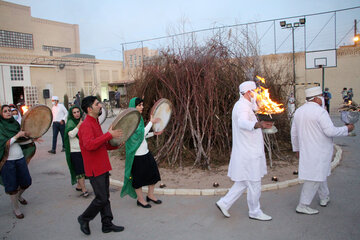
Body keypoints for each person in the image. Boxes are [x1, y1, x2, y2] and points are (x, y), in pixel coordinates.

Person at [215, 81, 273, 221]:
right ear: (248, 93)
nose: (257, 94)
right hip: (249, 153)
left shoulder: (246, 105)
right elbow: (242, 123)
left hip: (249, 150)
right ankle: (255, 212)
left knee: (243, 182)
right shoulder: (242, 107)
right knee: (254, 183)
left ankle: (224, 203)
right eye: (255, 92)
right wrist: (258, 124)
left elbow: (257, 108)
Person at [291, 86, 354, 215]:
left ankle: (324, 197)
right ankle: (302, 205)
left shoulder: (299, 111)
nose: (322, 99)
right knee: (314, 178)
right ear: (316, 99)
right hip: (319, 150)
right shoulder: (320, 112)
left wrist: (296, 149)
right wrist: (346, 129)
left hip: (306, 150)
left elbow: (294, 133)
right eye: (321, 97)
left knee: (320, 174)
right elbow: (330, 131)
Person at [77, 96, 124, 235]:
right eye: (97, 104)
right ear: (89, 109)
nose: (100, 106)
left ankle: (107, 224)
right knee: (101, 198)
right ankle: (84, 218)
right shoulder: (86, 125)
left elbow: (101, 144)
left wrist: (115, 145)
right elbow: (89, 145)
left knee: (105, 197)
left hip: (102, 166)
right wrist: (109, 135)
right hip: (94, 168)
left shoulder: (95, 122)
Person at [120, 97, 162, 208]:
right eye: (139, 105)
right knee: (138, 179)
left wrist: (154, 133)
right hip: (136, 156)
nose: (142, 107)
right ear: (133, 107)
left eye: (142, 104)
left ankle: (150, 195)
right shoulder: (130, 121)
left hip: (145, 153)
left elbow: (141, 136)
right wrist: (151, 123)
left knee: (154, 174)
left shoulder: (139, 118)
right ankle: (140, 199)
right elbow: (139, 135)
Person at [0, 105, 38, 219]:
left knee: (26, 182)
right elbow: (4, 144)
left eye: (9, 111)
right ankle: (16, 209)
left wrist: (31, 140)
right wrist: (17, 136)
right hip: (8, 161)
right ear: (1, 114)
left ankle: (19, 197)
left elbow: (19, 142)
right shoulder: (0, 127)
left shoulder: (15, 124)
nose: (8, 113)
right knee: (12, 187)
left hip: (20, 158)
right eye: (5, 111)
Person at [64, 106, 88, 197]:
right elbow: (71, 134)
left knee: (83, 169)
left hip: (83, 149)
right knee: (80, 171)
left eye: (78, 112)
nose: (77, 114)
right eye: (74, 112)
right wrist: (79, 125)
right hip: (75, 151)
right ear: (71, 114)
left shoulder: (82, 121)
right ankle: (84, 189)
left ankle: (79, 186)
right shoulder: (70, 122)